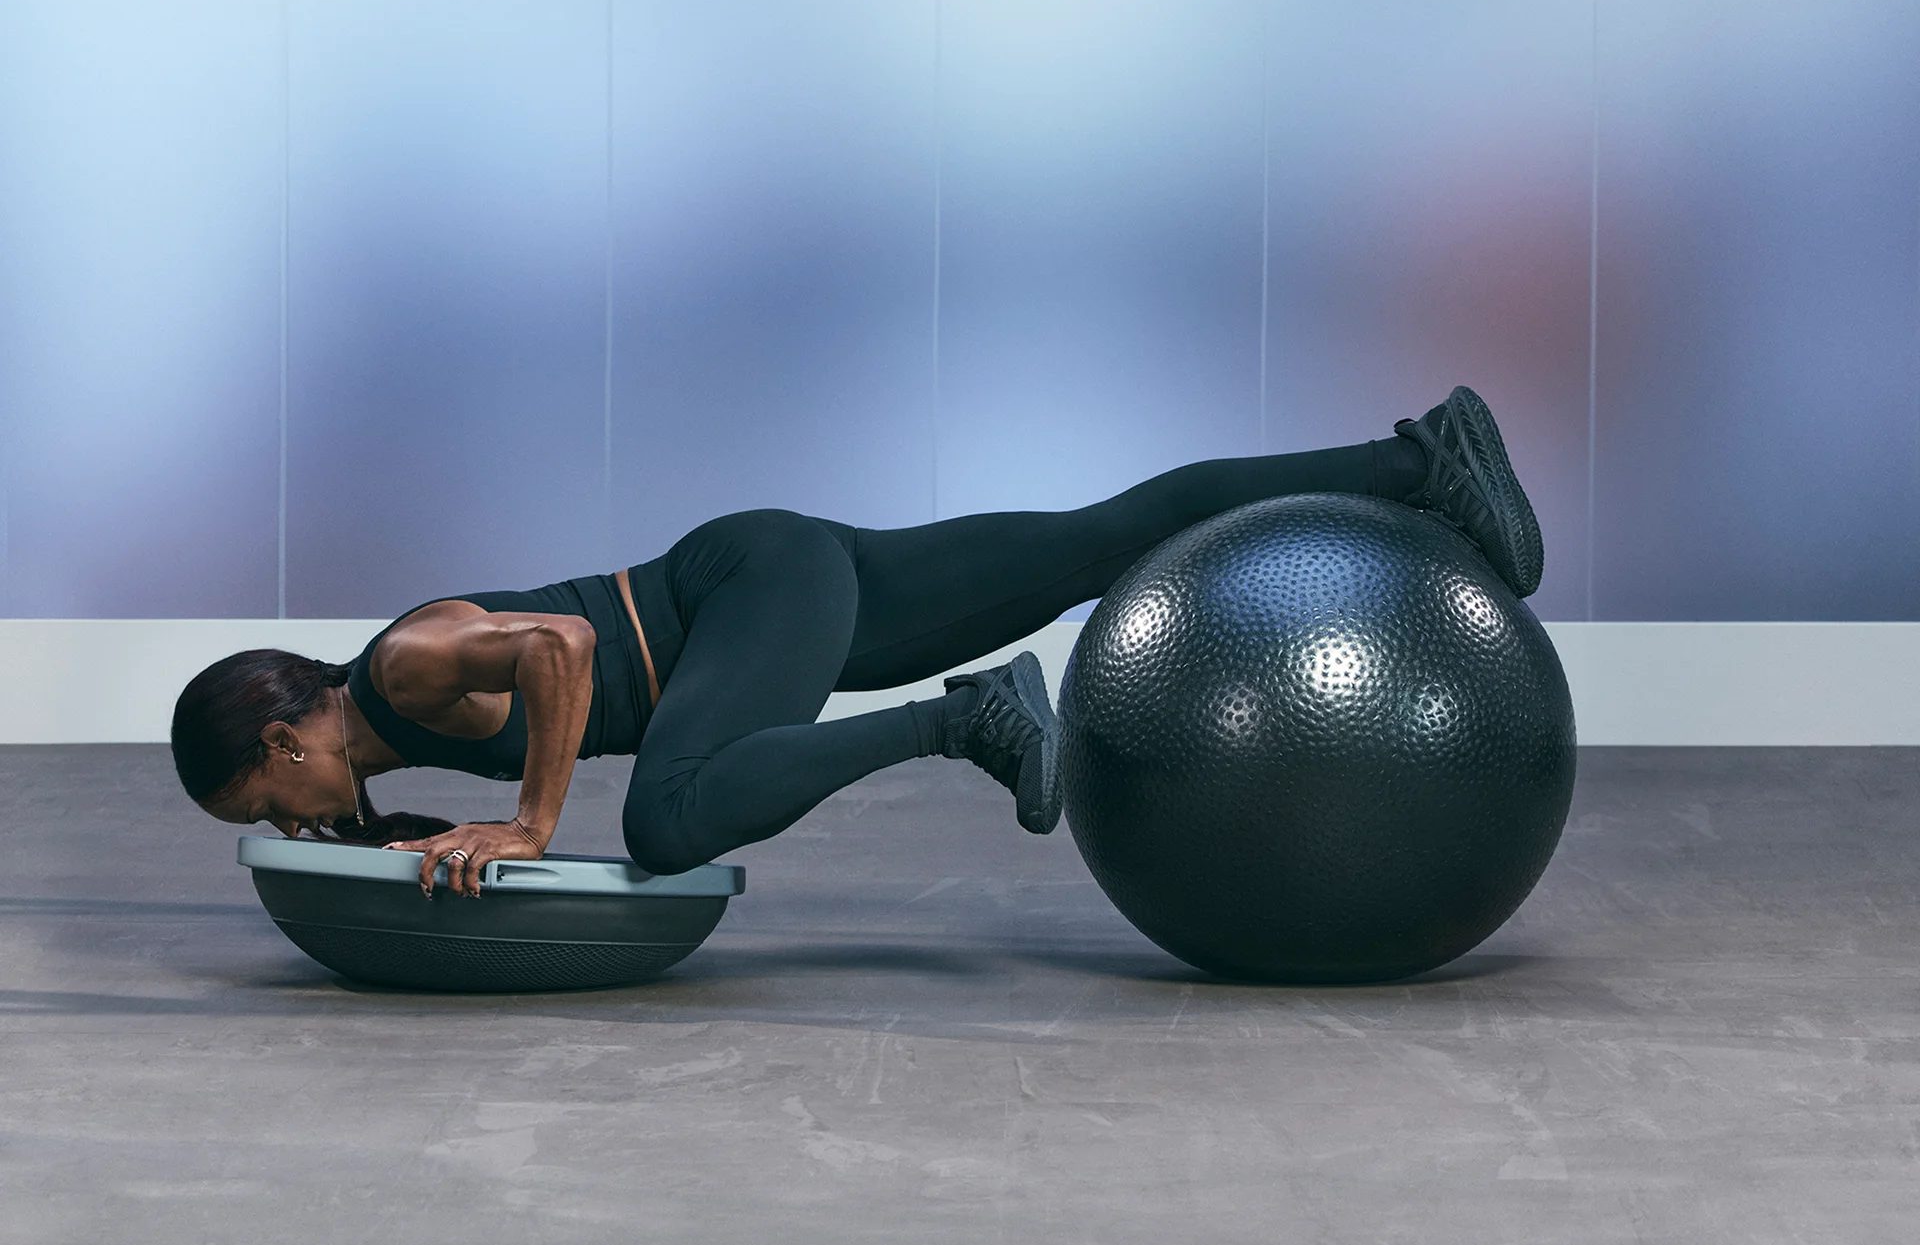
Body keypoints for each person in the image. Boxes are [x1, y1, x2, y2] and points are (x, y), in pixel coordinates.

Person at [172, 385, 1542, 897]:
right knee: (1099, 539)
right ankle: (1424, 461)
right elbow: (363, 834)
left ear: (286, 737)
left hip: (737, 597)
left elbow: (561, 659)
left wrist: (529, 830)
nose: (284, 821)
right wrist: (384, 848)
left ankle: (973, 718)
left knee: (667, 822)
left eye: (264, 800)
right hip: (768, 579)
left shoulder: (401, 666)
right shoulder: (368, 743)